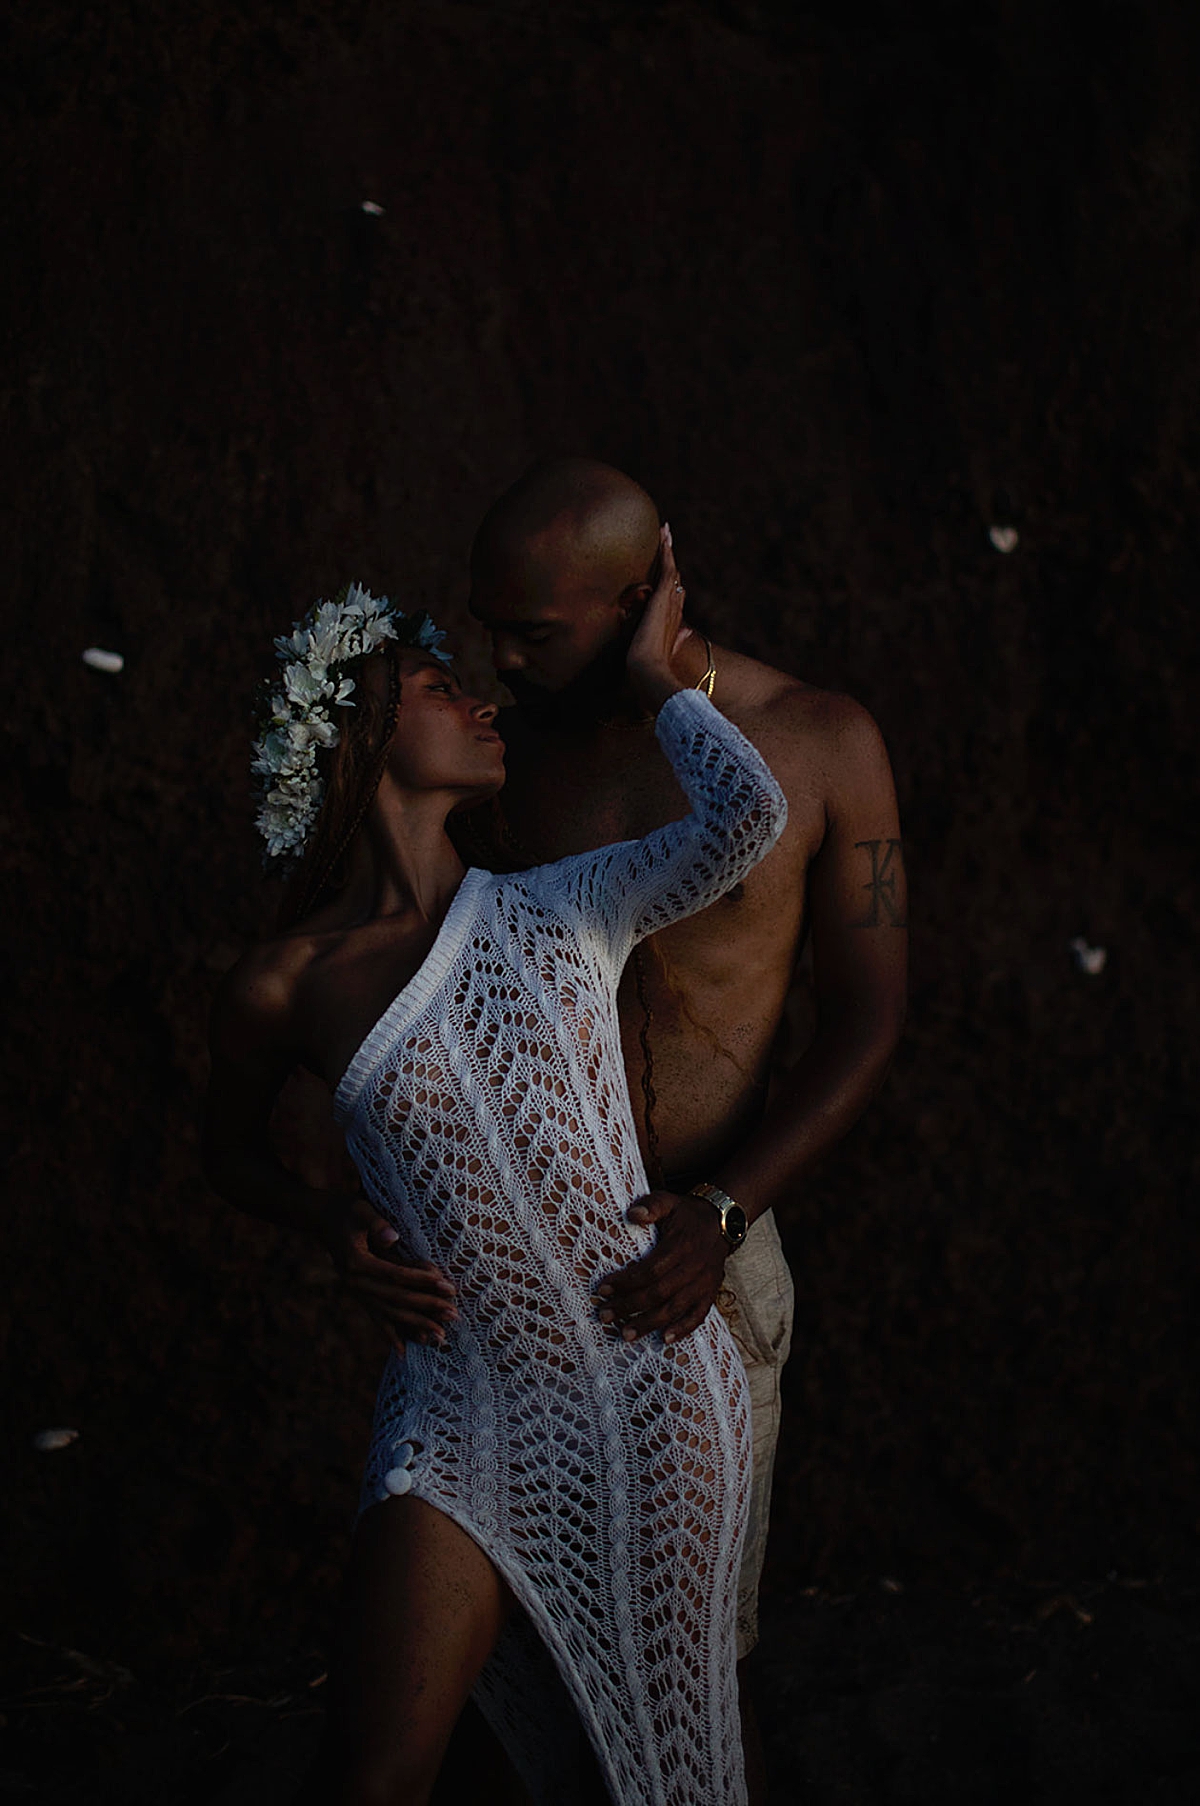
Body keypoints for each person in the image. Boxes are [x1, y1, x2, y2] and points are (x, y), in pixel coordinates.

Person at [203, 549, 788, 1806]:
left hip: (647, 1390)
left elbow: (752, 818)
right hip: (459, 1401)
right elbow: (223, 1150)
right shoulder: (283, 985)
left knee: (662, 1776)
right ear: (362, 731)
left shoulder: (561, 907)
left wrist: (662, 671)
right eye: (432, 685)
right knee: (372, 1776)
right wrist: (327, 1222)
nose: (478, 706)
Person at [466, 457, 908, 1798]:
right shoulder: (498, 744)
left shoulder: (821, 741)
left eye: (534, 632)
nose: (499, 655)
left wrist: (723, 1215)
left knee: (700, 1667)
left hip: (708, 1268)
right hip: (521, 1264)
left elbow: (869, 1020)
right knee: (525, 1663)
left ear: (639, 595)